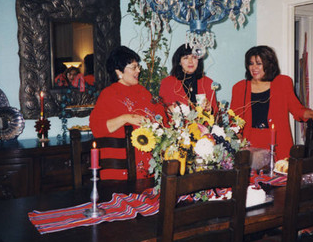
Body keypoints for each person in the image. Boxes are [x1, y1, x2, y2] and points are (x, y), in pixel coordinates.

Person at [230, 45, 313, 160]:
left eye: (259, 63)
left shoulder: (283, 83)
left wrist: (312, 114)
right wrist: (237, 135)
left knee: (280, 176)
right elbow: (234, 119)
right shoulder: (239, 88)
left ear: (269, 64)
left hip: (278, 143)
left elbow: (297, 109)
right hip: (250, 144)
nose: (254, 67)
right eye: (251, 63)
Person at [89, 46, 165, 180]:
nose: (139, 70)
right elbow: (97, 128)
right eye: (134, 67)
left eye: (138, 66)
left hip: (148, 166)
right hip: (120, 170)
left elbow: (158, 115)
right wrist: (125, 118)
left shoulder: (142, 91)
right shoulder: (109, 94)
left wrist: (167, 111)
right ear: (119, 71)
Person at [159, 44, 218, 112]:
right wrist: (170, 110)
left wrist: (210, 109)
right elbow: (161, 112)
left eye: (194, 57)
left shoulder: (208, 83)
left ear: (198, 60)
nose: (190, 61)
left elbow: (216, 114)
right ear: (179, 62)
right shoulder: (167, 83)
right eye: (186, 58)